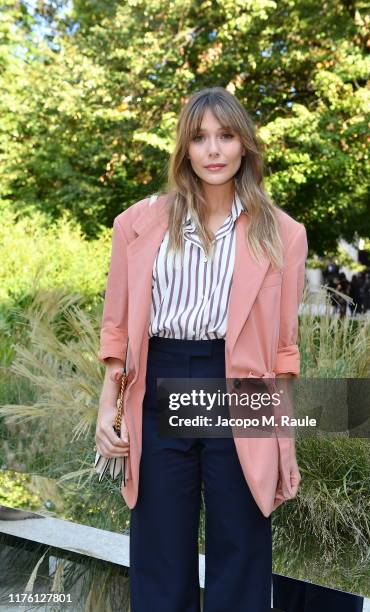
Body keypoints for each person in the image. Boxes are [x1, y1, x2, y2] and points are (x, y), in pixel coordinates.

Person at [95, 87, 308, 611]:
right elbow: (118, 330)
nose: (213, 149)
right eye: (199, 137)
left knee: (241, 545)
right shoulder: (137, 224)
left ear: (244, 146)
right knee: (160, 548)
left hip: (240, 387)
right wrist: (109, 406)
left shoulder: (282, 234)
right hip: (160, 380)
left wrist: (283, 440)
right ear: (185, 149)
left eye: (226, 135)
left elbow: (283, 351)